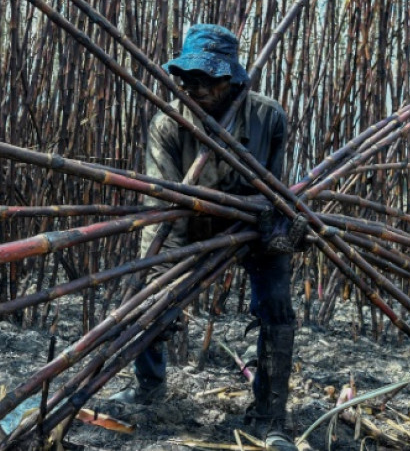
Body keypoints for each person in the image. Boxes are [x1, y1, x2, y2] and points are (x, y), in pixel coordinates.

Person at [110, 24, 306, 451]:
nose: (195, 89)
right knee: (149, 296)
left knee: (277, 309)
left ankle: (271, 415)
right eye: (188, 80)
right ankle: (149, 387)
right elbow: (162, 208)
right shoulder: (168, 125)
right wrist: (164, 276)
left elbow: (273, 187)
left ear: (231, 79)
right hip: (189, 225)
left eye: (207, 80)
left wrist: (275, 224)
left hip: (255, 226)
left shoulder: (267, 115)